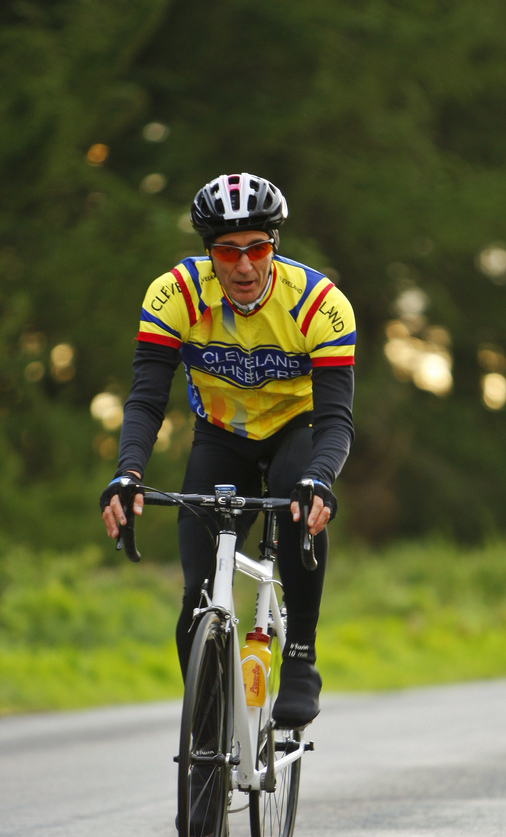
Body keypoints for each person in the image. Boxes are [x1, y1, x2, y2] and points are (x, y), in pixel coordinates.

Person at [100, 172, 355, 729]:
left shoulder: (320, 304)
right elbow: (146, 399)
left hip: (297, 428)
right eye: (227, 251)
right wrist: (128, 473)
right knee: (196, 595)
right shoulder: (175, 294)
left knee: (297, 496)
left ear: (274, 245)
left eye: (257, 249)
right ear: (208, 252)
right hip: (221, 434)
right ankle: (206, 741)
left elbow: (337, 418)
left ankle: (301, 654)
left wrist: (321, 478)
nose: (243, 266)